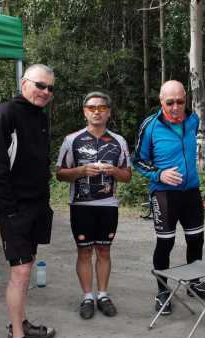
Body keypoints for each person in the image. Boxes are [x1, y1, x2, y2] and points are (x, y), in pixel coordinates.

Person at [0, 64, 56, 338]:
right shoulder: (6, 113)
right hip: (15, 208)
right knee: (21, 272)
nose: (46, 93)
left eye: (51, 88)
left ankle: (20, 324)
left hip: (37, 205)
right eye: (41, 85)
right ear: (25, 83)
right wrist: (9, 208)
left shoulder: (38, 115)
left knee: (25, 269)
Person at [133, 80, 205, 315]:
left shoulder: (193, 120)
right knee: (166, 242)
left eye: (179, 102)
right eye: (169, 102)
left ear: (186, 100)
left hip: (191, 191)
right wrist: (160, 174)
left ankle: (195, 283)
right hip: (163, 194)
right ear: (161, 101)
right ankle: (162, 291)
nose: (174, 107)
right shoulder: (150, 125)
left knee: (196, 240)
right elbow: (137, 161)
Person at [56, 91, 132, 320]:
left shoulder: (118, 141)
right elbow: (59, 174)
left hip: (108, 205)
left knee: (104, 250)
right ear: (84, 112)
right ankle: (87, 296)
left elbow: (127, 176)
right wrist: (79, 171)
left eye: (101, 108)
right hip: (81, 205)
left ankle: (103, 295)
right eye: (92, 108)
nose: (96, 111)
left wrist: (115, 171)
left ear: (108, 112)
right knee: (84, 251)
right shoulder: (72, 140)